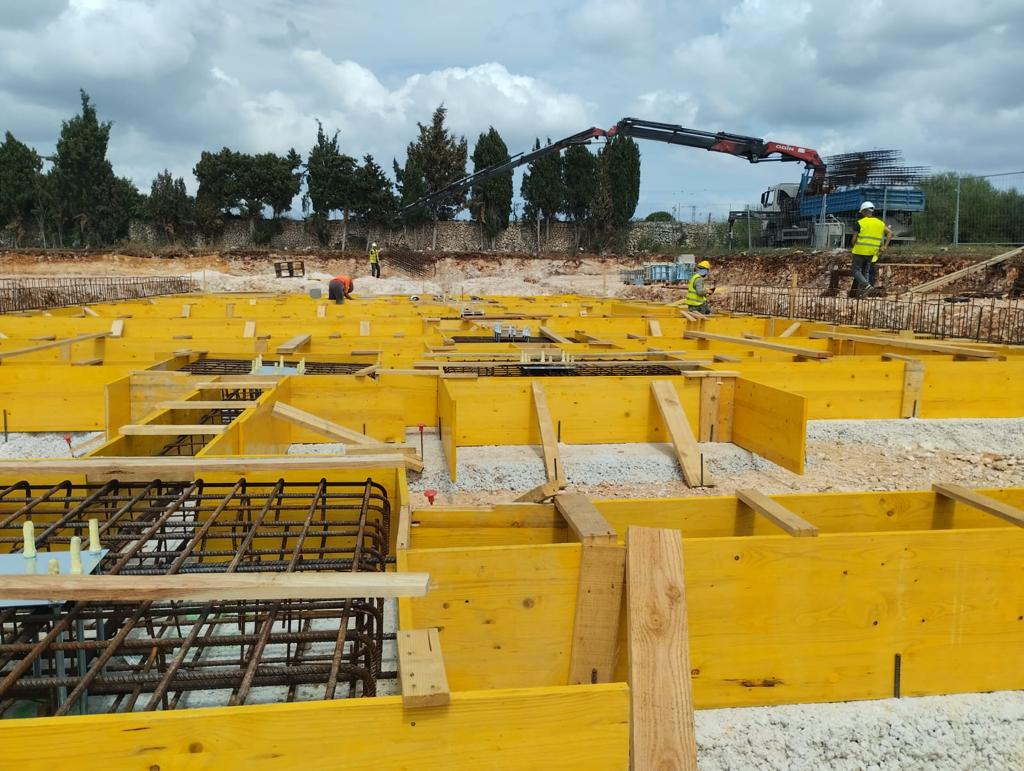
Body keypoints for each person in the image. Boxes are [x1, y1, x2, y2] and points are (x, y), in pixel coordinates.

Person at [850, 201, 893, 296]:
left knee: (855, 270)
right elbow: (890, 233)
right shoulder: (880, 223)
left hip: (859, 251)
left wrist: (854, 245)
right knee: (865, 271)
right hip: (872, 253)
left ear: (864, 211)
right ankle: (863, 294)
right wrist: (885, 246)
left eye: (861, 212)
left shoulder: (859, 223)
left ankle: (866, 286)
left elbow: (853, 240)